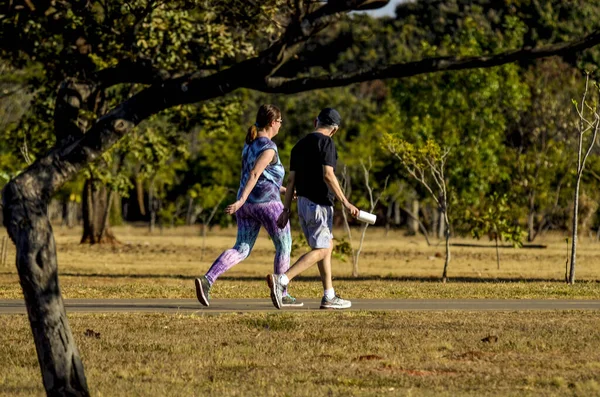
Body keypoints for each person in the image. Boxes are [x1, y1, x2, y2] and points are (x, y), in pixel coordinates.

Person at [195, 104, 302, 307]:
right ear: (272, 123)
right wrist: (240, 200)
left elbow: (260, 178)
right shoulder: (269, 148)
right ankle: (282, 292)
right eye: (280, 122)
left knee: (241, 249)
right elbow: (254, 174)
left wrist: (284, 191)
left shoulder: (249, 145)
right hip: (268, 206)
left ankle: (207, 280)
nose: (281, 126)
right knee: (284, 246)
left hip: (248, 208)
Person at [268, 108, 359, 310]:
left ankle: (329, 295)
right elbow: (328, 174)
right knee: (324, 248)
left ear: (315, 121)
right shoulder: (326, 143)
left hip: (302, 204)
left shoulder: (298, 146)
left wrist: (286, 210)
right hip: (319, 204)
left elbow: (291, 180)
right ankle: (282, 280)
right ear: (334, 130)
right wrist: (345, 201)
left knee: (323, 248)